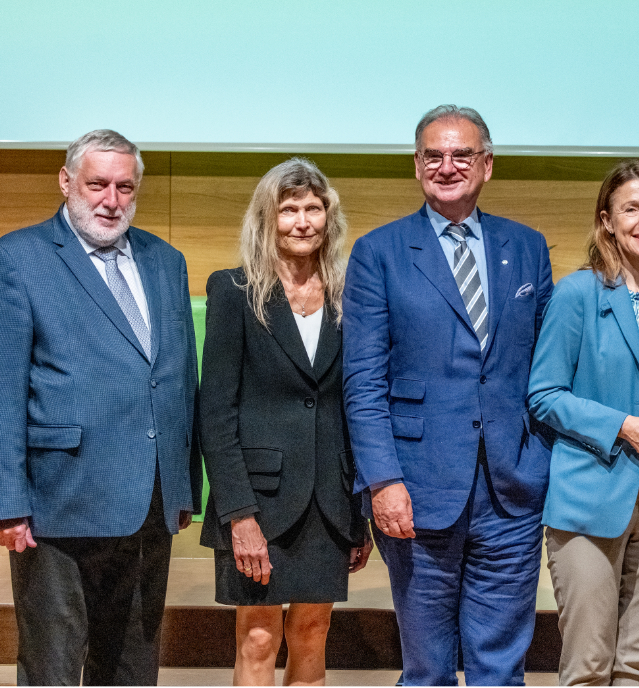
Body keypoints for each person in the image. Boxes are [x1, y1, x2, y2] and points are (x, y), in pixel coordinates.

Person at [342, 104, 554, 686]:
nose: (447, 165)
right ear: (416, 165)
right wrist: (382, 481)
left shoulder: (528, 247)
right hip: (418, 489)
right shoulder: (378, 252)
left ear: (487, 164)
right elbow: (362, 381)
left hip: (512, 487)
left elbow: (547, 368)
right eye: (433, 155)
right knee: (428, 668)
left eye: (462, 154)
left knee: (501, 667)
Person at [0, 129, 201, 685]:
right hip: (58, 501)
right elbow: (4, 389)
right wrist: (7, 501)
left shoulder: (167, 261)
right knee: (54, 664)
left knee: (133, 664)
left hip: (149, 502)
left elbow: (180, 378)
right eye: (97, 185)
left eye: (124, 187)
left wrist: (183, 483)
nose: (111, 200)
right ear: (66, 183)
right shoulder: (17, 258)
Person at [528, 160, 639, 685]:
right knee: (588, 667)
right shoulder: (577, 293)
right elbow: (543, 395)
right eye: (631, 208)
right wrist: (623, 426)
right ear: (607, 220)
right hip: (590, 496)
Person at [199, 158, 372, 685]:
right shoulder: (233, 290)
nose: (302, 221)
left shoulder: (352, 294)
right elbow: (216, 411)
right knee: (257, 637)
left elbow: (353, 406)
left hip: (329, 500)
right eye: (289, 209)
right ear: (266, 219)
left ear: (329, 217)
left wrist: (358, 510)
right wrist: (239, 515)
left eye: (313, 208)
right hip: (258, 500)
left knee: (313, 631)